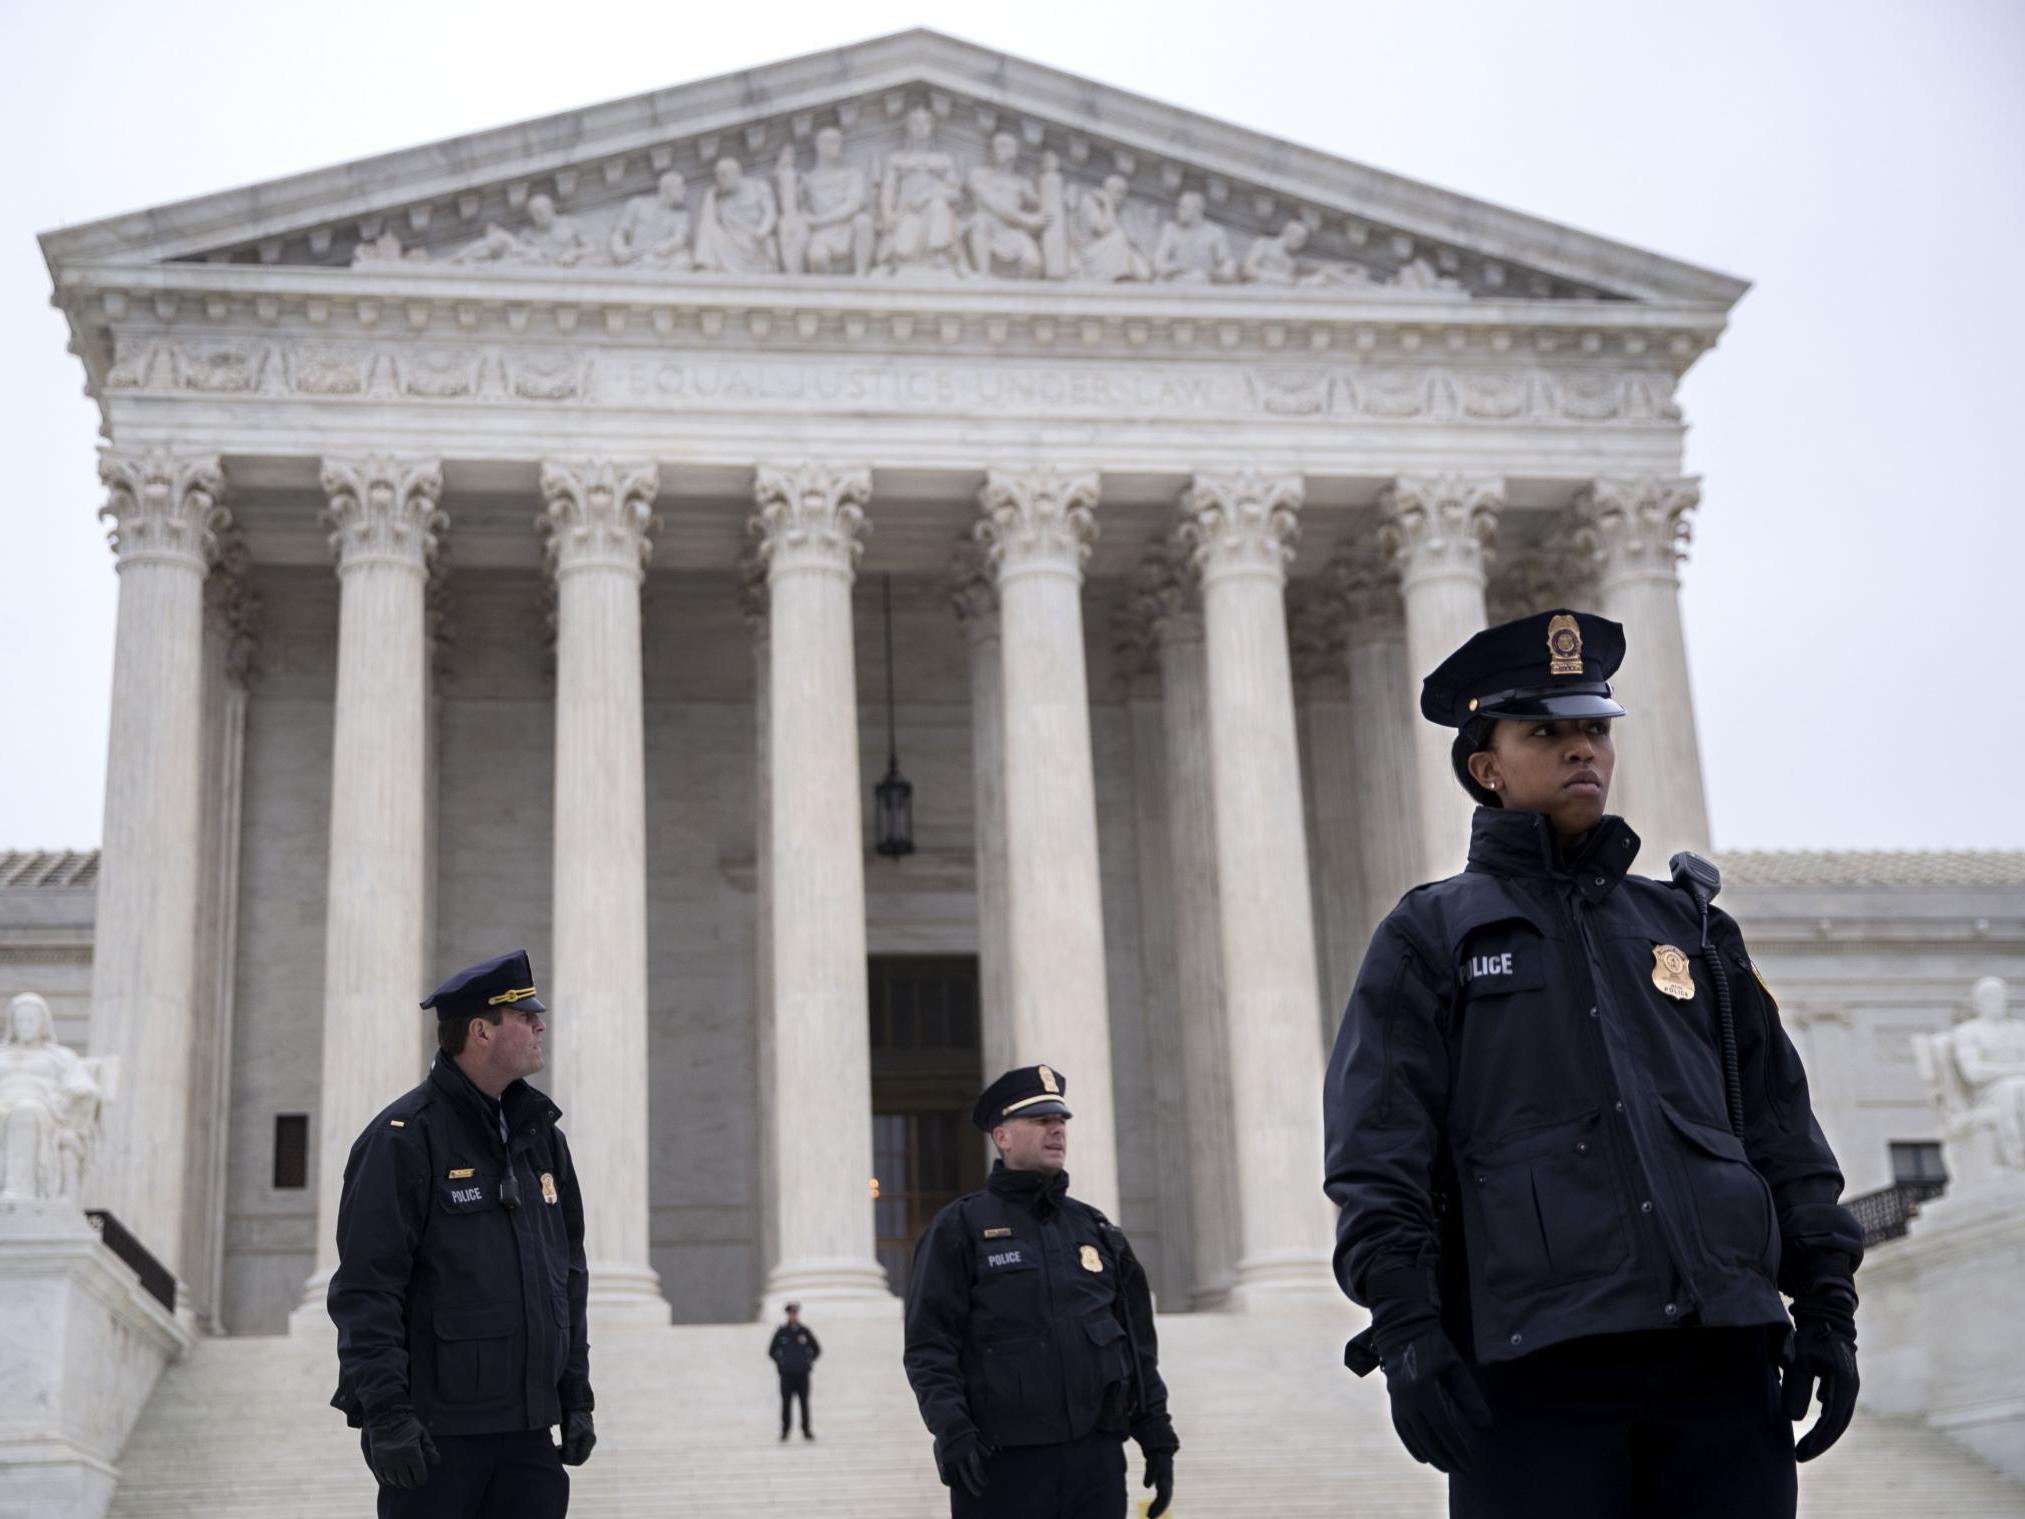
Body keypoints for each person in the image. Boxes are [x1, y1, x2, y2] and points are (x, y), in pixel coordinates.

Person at [1324, 609, 1864, 1519]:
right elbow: (1381, 1150)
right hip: (1538, 1366)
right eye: (1546, 730)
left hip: (1721, 1360)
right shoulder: (1431, 934)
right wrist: (1407, 1324)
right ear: (1485, 767)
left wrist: (1824, 1306)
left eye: (1593, 729)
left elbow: (1780, 1131)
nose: (1582, 749)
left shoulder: (1689, 927)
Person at [327, 949, 595, 1519]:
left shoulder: (543, 1140)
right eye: (525, 1017)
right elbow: (367, 1289)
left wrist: (576, 1395)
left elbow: (567, 1276)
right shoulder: (402, 1139)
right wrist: (387, 1414)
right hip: (436, 1439)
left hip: (527, 1438)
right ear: (480, 1030)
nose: (540, 1026)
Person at [903, 1065, 1177, 1519]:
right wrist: (951, 1429)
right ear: (1002, 1137)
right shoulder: (960, 1227)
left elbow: (1136, 1346)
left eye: (1061, 1121)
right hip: (1004, 1465)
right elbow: (930, 1345)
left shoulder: (1097, 1230)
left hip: (1096, 1465)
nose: (1056, 1131)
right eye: (1040, 1121)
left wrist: (1157, 1438)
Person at [768, 1302, 821, 1440]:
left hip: (802, 1374)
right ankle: (785, 1430)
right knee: (786, 1403)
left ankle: (806, 1430)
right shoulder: (782, 1332)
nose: (793, 1315)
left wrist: (808, 1362)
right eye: (791, 1313)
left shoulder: (804, 1331)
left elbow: (816, 1349)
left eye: (795, 1313)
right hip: (787, 1375)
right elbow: (771, 1351)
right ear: (788, 1314)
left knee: (804, 1403)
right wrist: (780, 1363)